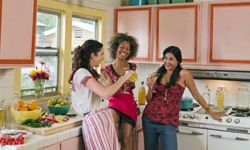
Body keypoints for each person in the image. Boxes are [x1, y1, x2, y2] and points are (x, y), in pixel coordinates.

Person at [142, 46, 223, 150]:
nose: (167, 62)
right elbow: (149, 100)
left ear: (178, 60)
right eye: (165, 58)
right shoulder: (156, 74)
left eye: (171, 59)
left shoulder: (184, 74)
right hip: (149, 119)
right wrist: (149, 88)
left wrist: (211, 112)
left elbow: (196, 95)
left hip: (168, 122)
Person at [69, 39, 135, 150]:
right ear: (92, 55)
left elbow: (106, 91)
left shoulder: (89, 71)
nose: (103, 57)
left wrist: (114, 81)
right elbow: (105, 93)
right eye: (101, 54)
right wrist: (124, 78)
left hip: (99, 118)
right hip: (94, 120)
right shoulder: (82, 72)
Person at [101, 33, 138, 150]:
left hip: (129, 104)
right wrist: (123, 80)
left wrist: (129, 83)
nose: (125, 50)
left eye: (128, 49)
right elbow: (109, 91)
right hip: (114, 103)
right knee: (110, 134)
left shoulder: (132, 67)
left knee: (126, 139)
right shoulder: (106, 69)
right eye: (122, 47)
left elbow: (132, 86)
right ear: (115, 47)